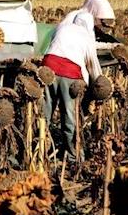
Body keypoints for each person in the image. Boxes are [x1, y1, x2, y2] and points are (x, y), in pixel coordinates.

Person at [42, 11, 102, 162]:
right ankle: (72, 154)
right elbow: (93, 65)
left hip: (48, 67)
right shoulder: (87, 36)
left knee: (44, 112)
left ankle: (38, 149)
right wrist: (98, 85)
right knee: (69, 115)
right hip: (68, 74)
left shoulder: (62, 27)